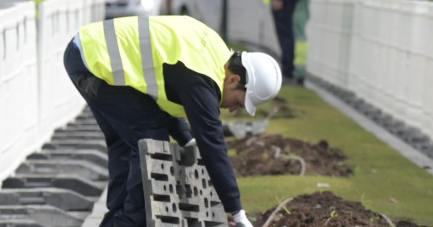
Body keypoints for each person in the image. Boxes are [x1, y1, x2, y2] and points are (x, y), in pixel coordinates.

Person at [63, 15, 282, 227]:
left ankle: (116, 221)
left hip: (87, 50)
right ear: (234, 79)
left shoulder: (214, 51)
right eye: (239, 102)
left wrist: (186, 138)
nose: (233, 110)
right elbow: (213, 144)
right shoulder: (202, 80)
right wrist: (236, 210)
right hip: (97, 61)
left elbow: (159, 98)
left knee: (128, 143)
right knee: (151, 146)